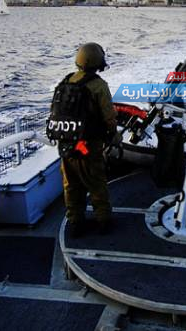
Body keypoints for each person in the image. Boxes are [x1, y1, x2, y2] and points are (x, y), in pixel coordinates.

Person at [60, 42, 119, 237]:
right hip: (87, 146)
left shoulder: (66, 81)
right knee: (96, 182)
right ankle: (103, 221)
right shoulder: (98, 86)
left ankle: (75, 222)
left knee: (71, 185)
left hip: (66, 145)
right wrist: (114, 136)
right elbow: (109, 118)